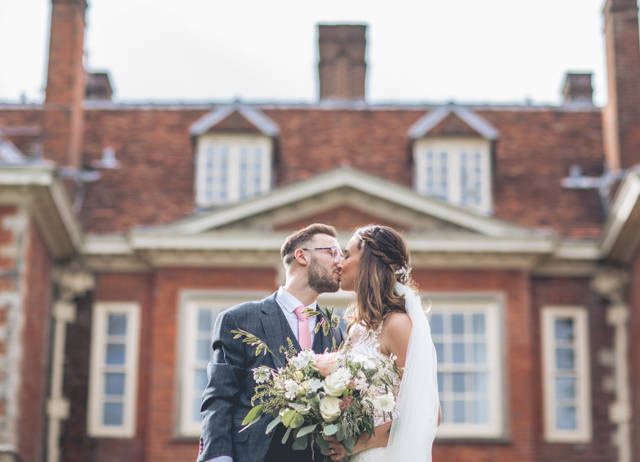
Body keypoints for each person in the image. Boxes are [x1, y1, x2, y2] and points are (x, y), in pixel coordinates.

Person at [198, 223, 345, 462]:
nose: (340, 262)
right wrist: (218, 457)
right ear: (302, 256)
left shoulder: (335, 331)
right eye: (332, 252)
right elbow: (220, 397)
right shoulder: (239, 319)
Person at [327, 225, 440, 462]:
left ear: (368, 262)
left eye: (347, 255)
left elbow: (429, 413)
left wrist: (358, 443)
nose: (339, 263)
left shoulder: (398, 326)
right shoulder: (355, 329)